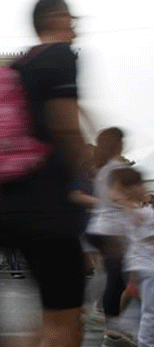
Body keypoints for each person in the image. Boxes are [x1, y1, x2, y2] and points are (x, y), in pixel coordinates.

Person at [0, 0, 88, 347]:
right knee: (66, 320)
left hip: (9, 202)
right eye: (71, 16)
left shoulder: (17, 66)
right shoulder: (61, 55)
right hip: (47, 205)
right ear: (55, 18)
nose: (75, 25)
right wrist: (84, 168)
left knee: (53, 320)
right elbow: (66, 127)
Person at [85, 127, 133, 344]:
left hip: (102, 228)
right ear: (117, 144)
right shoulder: (115, 168)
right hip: (111, 231)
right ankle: (110, 326)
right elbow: (115, 197)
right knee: (117, 278)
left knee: (114, 276)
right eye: (121, 141)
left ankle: (105, 318)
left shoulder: (103, 168)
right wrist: (131, 206)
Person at [108, 167, 154, 347]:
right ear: (130, 188)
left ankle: (123, 324)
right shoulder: (144, 212)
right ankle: (144, 342)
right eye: (140, 184)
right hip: (147, 267)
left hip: (134, 265)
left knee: (144, 305)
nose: (144, 188)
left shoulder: (130, 212)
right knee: (150, 310)